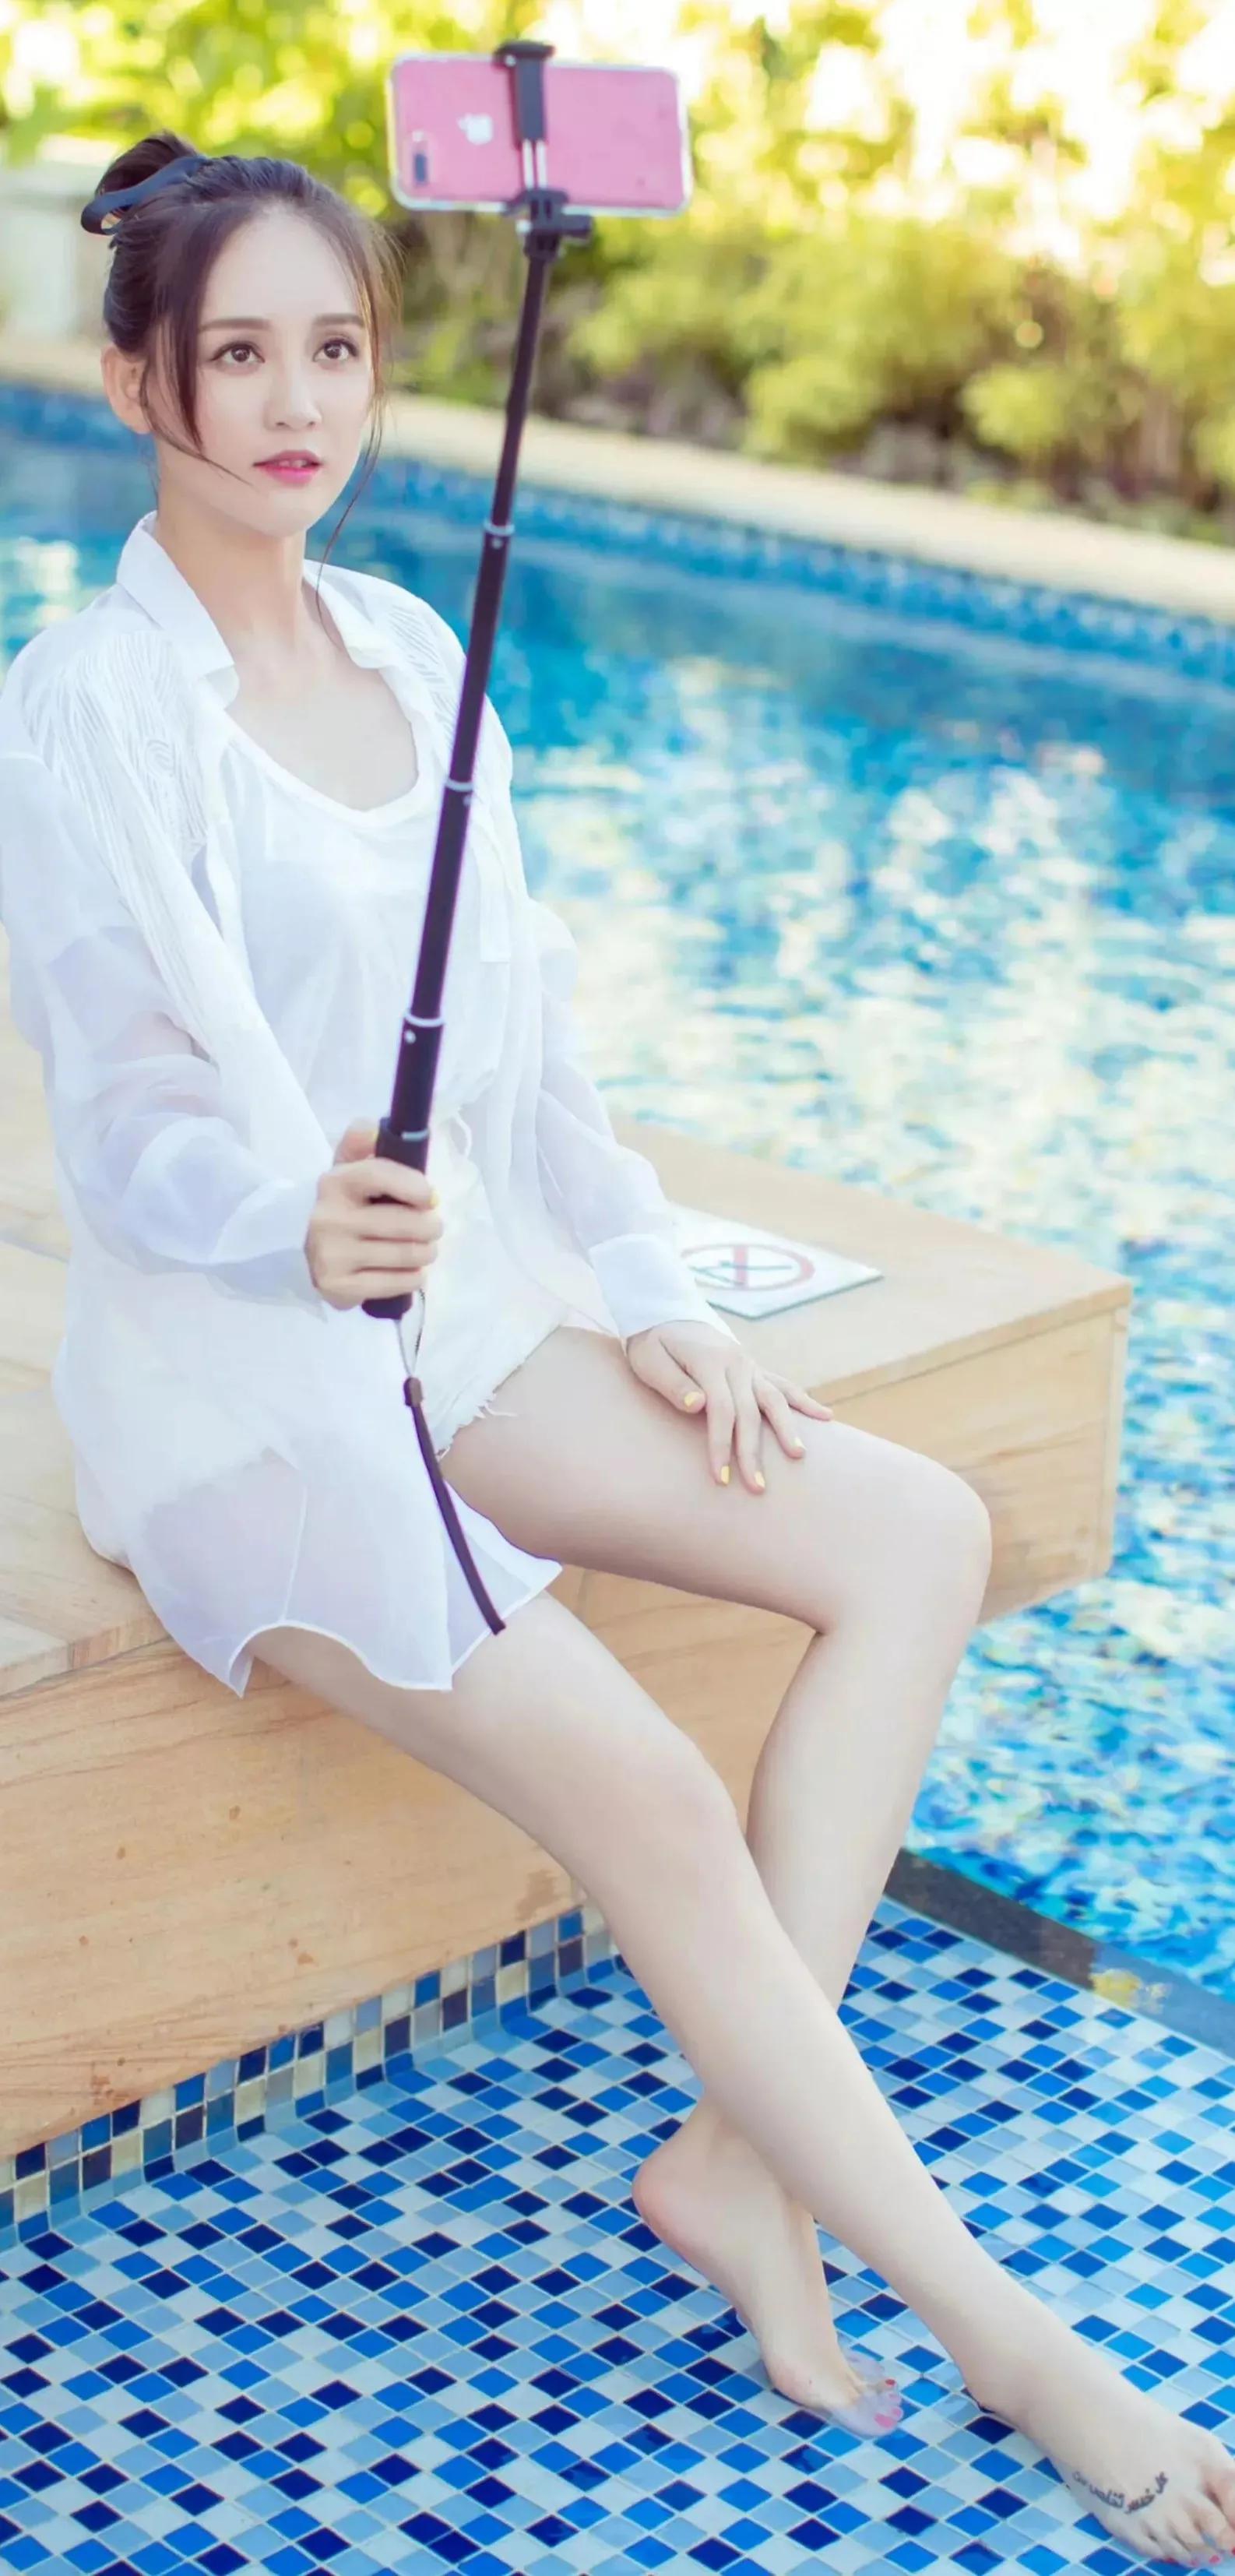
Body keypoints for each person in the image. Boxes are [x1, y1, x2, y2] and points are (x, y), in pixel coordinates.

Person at [0, 131, 1231, 2567]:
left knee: (908, 1527)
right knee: (655, 1795)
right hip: (240, 1389)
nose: (295, 402)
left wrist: (656, 1296)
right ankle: (1009, 2336)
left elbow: (537, 1059)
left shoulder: (409, 653)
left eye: (334, 345)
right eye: (236, 352)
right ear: (136, 378)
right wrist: (287, 1212)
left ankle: (739, 2154)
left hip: (453, 1327)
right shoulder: (86, 702)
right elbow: (121, 1126)